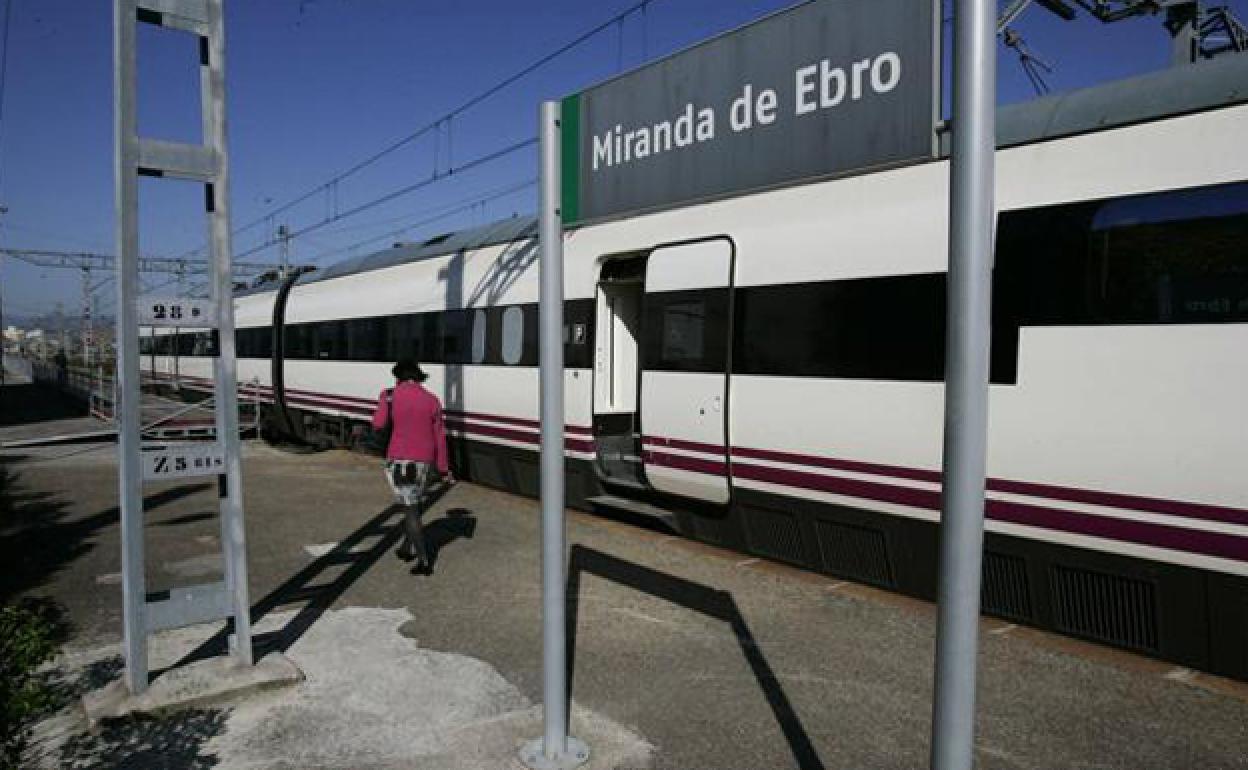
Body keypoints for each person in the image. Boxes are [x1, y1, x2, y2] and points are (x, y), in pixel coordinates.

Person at [371, 359, 450, 571]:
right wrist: (442, 467)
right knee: (413, 504)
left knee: (411, 509)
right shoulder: (432, 400)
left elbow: (378, 424)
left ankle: (424, 561)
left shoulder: (389, 395)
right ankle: (406, 547)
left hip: (401, 461)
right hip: (424, 462)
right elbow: (440, 437)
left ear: (398, 376)